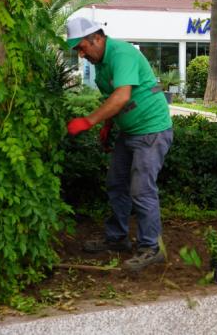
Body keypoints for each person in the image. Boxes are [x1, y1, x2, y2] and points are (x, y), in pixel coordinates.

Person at [65, 16, 173, 272]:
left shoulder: (121, 53)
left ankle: (151, 248)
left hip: (151, 129)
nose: (81, 55)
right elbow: (114, 99)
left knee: (141, 189)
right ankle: (117, 238)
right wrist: (108, 126)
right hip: (130, 131)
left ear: (97, 38)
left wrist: (89, 121)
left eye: (82, 47)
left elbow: (123, 96)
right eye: (77, 50)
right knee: (116, 183)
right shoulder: (101, 66)